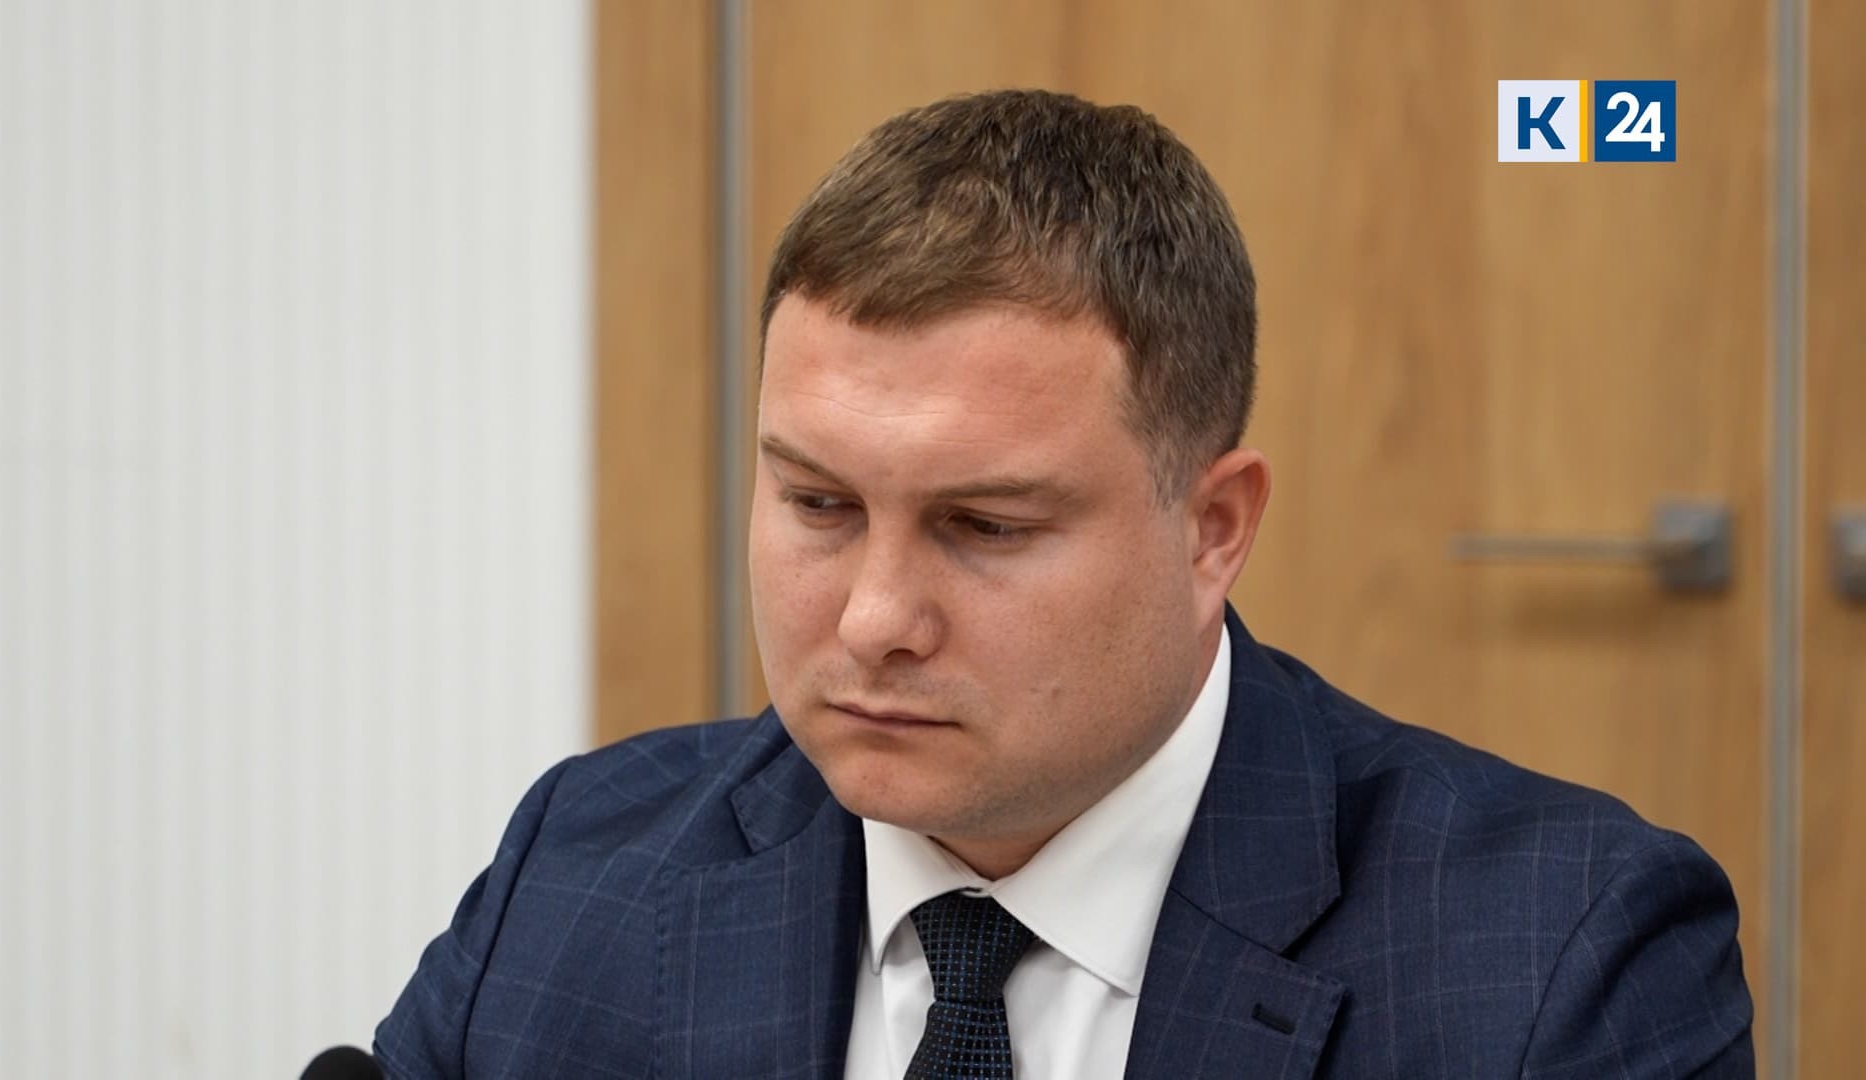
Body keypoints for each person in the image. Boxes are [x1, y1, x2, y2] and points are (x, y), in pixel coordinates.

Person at [372, 89, 1752, 1079]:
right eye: (818, 505)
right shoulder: (576, 879)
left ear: (1213, 529)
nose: (873, 620)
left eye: (983, 525)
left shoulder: (1558, 958)